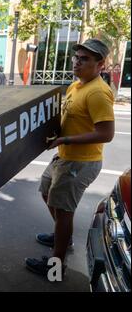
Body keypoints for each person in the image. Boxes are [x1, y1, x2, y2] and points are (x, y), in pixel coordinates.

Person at [25, 38, 115, 278]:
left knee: (64, 212)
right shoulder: (76, 86)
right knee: (47, 192)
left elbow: (106, 134)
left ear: (100, 65)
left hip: (80, 162)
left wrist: (65, 140)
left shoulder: (97, 92)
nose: (76, 62)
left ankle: (56, 267)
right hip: (63, 156)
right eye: (76, 57)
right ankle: (61, 235)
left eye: (84, 59)